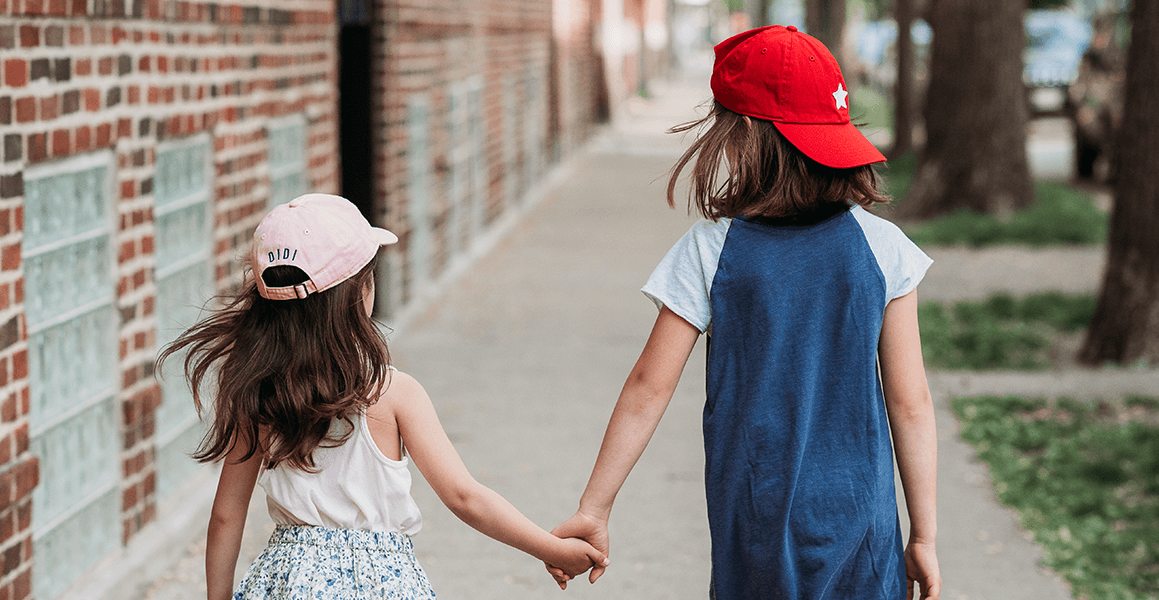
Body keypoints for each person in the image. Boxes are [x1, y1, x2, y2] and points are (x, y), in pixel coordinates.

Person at [548, 26, 942, 599]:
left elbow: (647, 389)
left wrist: (594, 506)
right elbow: (911, 403)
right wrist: (925, 535)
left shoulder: (711, 250)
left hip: (754, 525)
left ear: (744, 133)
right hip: (864, 525)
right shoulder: (885, 251)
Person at [158, 193, 607, 600]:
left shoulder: (258, 394)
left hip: (285, 581)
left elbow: (226, 517)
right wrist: (554, 549)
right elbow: (465, 497)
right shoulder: (392, 393)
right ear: (360, 293)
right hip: (382, 584)